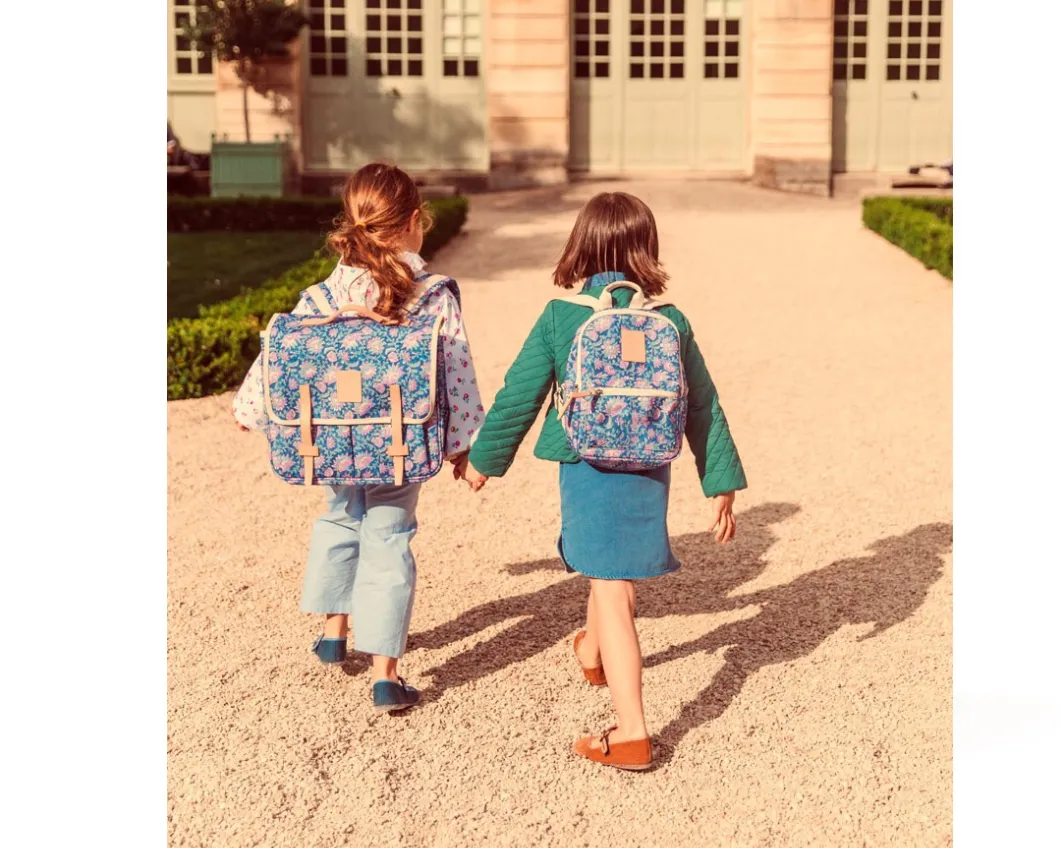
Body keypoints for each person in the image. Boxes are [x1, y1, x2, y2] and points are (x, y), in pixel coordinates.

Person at [463, 192, 747, 770]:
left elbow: (520, 394)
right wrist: (720, 479)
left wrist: (483, 461)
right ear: (647, 249)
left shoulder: (562, 317)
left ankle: (633, 733)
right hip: (649, 463)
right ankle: (592, 653)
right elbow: (702, 404)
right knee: (613, 571)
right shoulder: (669, 322)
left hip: (587, 464)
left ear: (581, 246)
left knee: (612, 587)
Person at [232, 163, 486, 712]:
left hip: (332, 440)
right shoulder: (432, 295)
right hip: (399, 440)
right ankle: (385, 675)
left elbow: (282, 352)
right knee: (389, 535)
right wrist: (464, 447)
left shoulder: (325, 292)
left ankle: (333, 633)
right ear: (416, 221)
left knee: (340, 516)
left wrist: (249, 408)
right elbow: (456, 372)